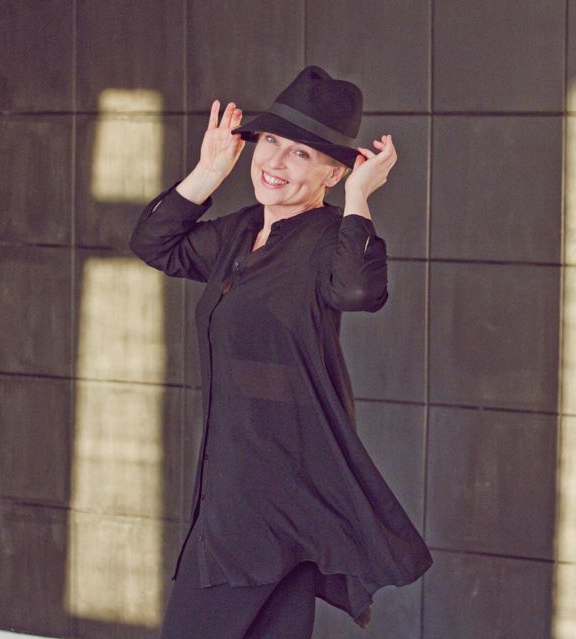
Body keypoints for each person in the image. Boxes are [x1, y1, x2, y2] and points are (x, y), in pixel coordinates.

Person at [129, 65, 432, 639]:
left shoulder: (331, 238)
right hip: (247, 483)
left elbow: (359, 291)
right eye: (270, 140)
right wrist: (208, 172)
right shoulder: (239, 233)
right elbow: (154, 243)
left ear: (333, 171)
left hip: (273, 493)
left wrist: (359, 198)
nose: (274, 161)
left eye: (300, 153)